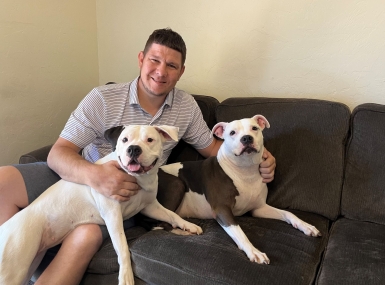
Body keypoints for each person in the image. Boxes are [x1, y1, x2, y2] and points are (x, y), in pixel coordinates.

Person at [0, 28, 276, 285]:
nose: (161, 71)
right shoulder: (103, 98)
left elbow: (216, 150)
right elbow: (59, 152)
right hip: (77, 174)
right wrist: (95, 175)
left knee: (85, 236)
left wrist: (260, 155)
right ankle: (13, 257)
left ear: (181, 71)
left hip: (127, 192)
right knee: (3, 180)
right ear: (141, 59)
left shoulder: (186, 107)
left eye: (171, 65)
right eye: (154, 60)